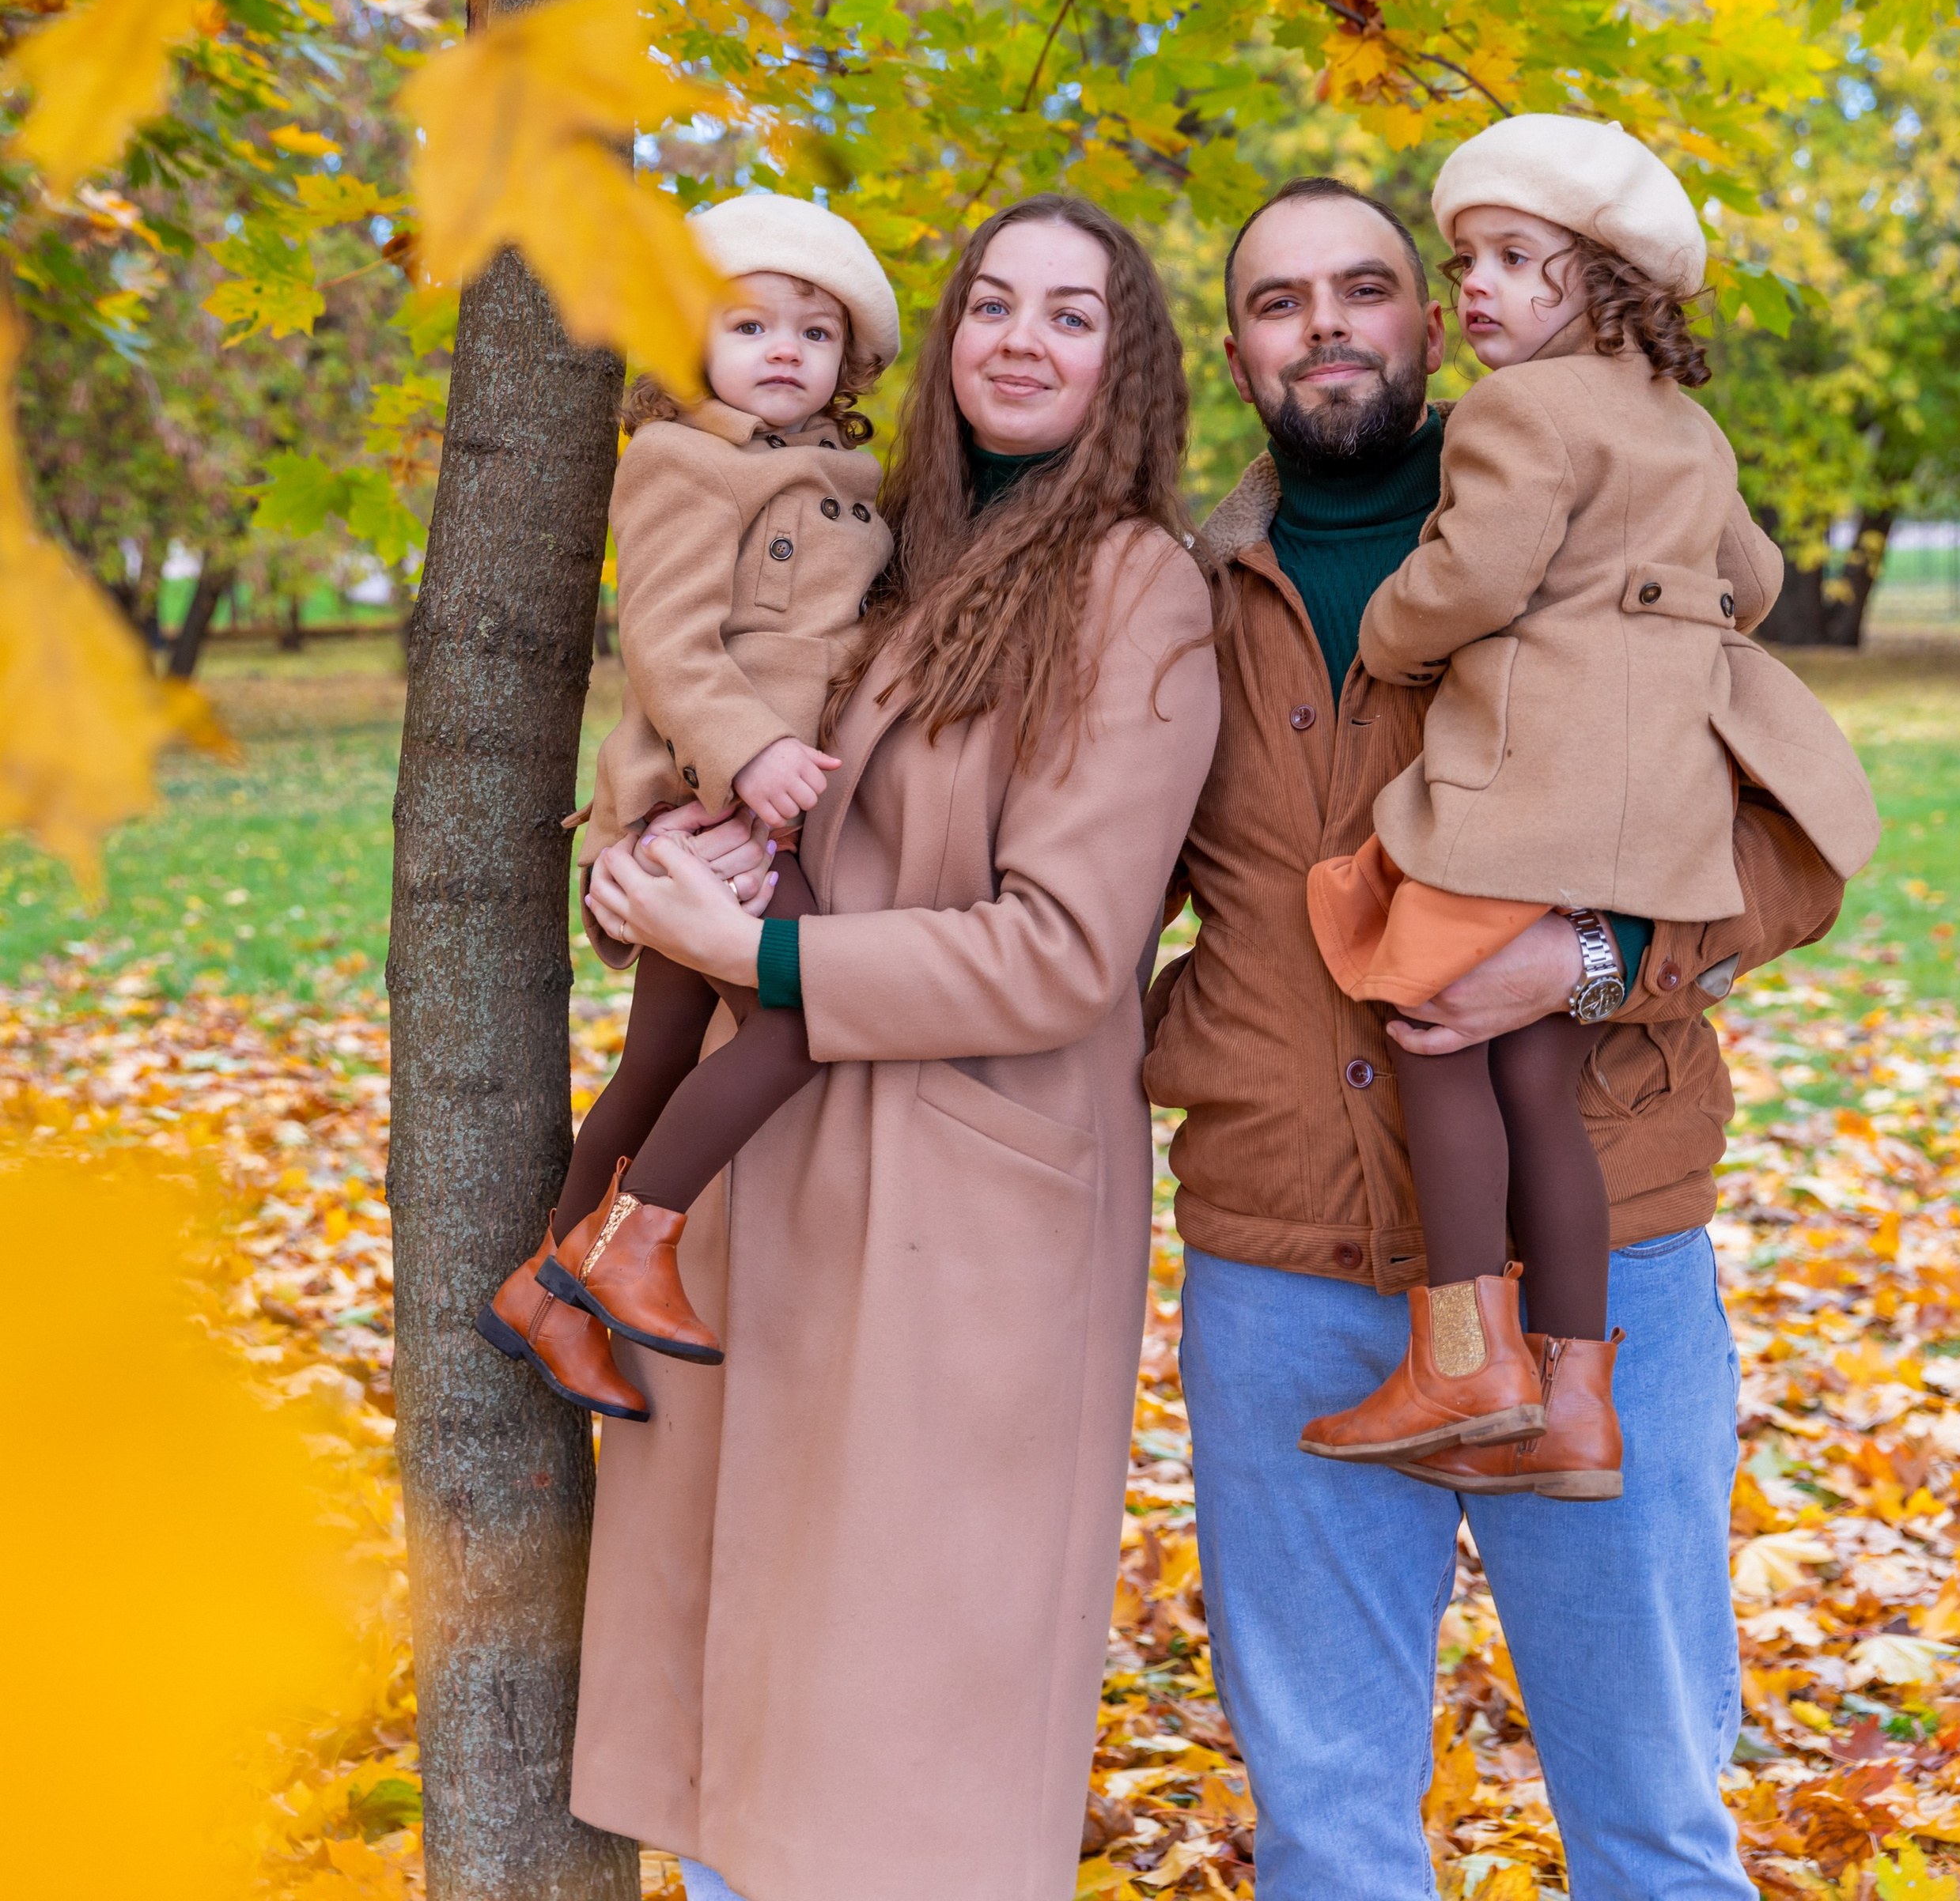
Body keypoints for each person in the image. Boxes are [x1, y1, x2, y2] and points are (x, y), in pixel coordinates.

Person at [1145, 170, 1879, 1901]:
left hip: (1602, 1271)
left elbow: (1781, 854)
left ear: (1429, 319)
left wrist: (1591, 962)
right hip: (1284, 1272)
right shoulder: (1178, 597)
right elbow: (1042, 888)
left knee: (1645, 1816)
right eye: (1274, 300)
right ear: (1238, 350)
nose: (1322, 324)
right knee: (1324, 1827)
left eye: (1365, 286)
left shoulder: (1601, 529)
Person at [567, 195, 1220, 1901]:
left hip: (960, 1197)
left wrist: (761, 950)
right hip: (760, 1176)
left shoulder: (1130, 586)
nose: (1019, 336)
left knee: (897, 1745)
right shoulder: (871, 542)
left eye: (1069, 316)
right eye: (990, 303)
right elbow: (709, 738)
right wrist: (639, 875)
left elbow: (1064, 952)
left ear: (1123, 368)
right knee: (733, 1721)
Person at [1296, 115, 1852, 1493]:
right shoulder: (1685, 429)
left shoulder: (1514, 411)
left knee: (1430, 1029)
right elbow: (1757, 583)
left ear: (1597, 280)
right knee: (1536, 1077)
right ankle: (1576, 1404)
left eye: (1512, 259)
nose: (1474, 286)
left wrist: (1389, 631)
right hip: (1637, 833)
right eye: (1464, 259)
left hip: (1511, 804)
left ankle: (1463, 1355)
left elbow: (1476, 577)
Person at [480, 190, 899, 1420]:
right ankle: (631, 1241)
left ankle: (547, 1296)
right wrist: (751, 754)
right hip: (697, 804)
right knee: (795, 1017)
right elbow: (664, 643)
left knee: (663, 1045)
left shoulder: (851, 483)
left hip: (765, 810)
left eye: (815, 336)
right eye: (750, 325)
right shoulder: (679, 462)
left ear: (849, 363)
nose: (785, 352)